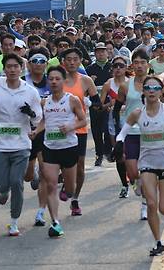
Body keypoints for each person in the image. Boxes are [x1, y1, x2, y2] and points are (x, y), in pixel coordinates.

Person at [114, 76, 164, 256]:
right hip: (147, 162)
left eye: (155, 88)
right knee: (150, 203)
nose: (151, 91)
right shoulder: (137, 114)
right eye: (148, 87)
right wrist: (118, 143)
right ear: (143, 92)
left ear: (161, 91)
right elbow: (122, 133)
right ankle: (158, 241)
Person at [0, 53, 43, 236]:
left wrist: (31, 113)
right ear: (4, 69)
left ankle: (14, 222)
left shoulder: (30, 91)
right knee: (3, 186)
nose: (13, 69)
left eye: (16, 66)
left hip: (21, 144)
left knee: (17, 182)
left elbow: (38, 117)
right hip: (0, 145)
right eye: (9, 66)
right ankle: (2, 190)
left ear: (22, 69)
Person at [35, 66, 87, 237]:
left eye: (57, 78)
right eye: (51, 79)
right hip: (50, 147)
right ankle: (55, 222)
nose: (54, 82)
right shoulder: (45, 102)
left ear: (64, 81)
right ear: (47, 81)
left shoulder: (72, 100)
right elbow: (44, 121)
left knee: (70, 189)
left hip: (69, 147)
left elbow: (83, 121)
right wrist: (36, 131)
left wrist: (71, 126)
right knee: (50, 185)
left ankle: (68, 189)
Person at [61, 47, 100, 216]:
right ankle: (65, 184)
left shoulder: (85, 81)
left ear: (80, 61)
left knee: (80, 167)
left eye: (75, 59)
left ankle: (75, 199)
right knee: (63, 164)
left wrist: (90, 102)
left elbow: (97, 103)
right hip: (60, 128)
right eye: (68, 59)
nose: (71, 62)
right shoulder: (57, 80)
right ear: (63, 62)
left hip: (79, 128)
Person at [114, 49, 152, 219]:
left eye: (142, 62)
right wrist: (118, 132)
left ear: (148, 65)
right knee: (132, 170)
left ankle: (145, 206)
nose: (139, 66)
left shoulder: (156, 83)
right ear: (132, 65)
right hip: (131, 133)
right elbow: (116, 110)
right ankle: (136, 183)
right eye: (136, 62)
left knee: (146, 171)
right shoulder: (125, 86)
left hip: (151, 133)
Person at [24, 47, 52, 226]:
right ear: (29, 64)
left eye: (42, 61)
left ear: (47, 64)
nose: (39, 64)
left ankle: (41, 212)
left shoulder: (53, 81)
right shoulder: (22, 82)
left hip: (45, 131)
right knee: (27, 176)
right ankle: (30, 173)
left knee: (45, 173)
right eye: (35, 60)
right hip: (25, 131)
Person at [101, 56, 130, 198]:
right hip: (114, 122)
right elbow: (99, 106)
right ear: (112, 68)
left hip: (131, 121)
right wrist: (108, 104)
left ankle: (131, 175)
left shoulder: (132, 84)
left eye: (121, 66)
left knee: (130, 153)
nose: (118, 69)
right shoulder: (108, 84)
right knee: (119, 153)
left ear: (126, 68)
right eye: (115, 66)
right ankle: (124, 183)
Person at [86, 42, 113, 166]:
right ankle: (99, 154)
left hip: (109, 103)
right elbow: (85, 89)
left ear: (107, 52)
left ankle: (107, 150)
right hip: (95, 103)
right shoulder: (90, 69)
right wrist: (91, 81)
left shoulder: (112, 67)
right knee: (96, 130)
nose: (101, 53)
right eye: (98, 51)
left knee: (107, 128)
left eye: (103, 51)